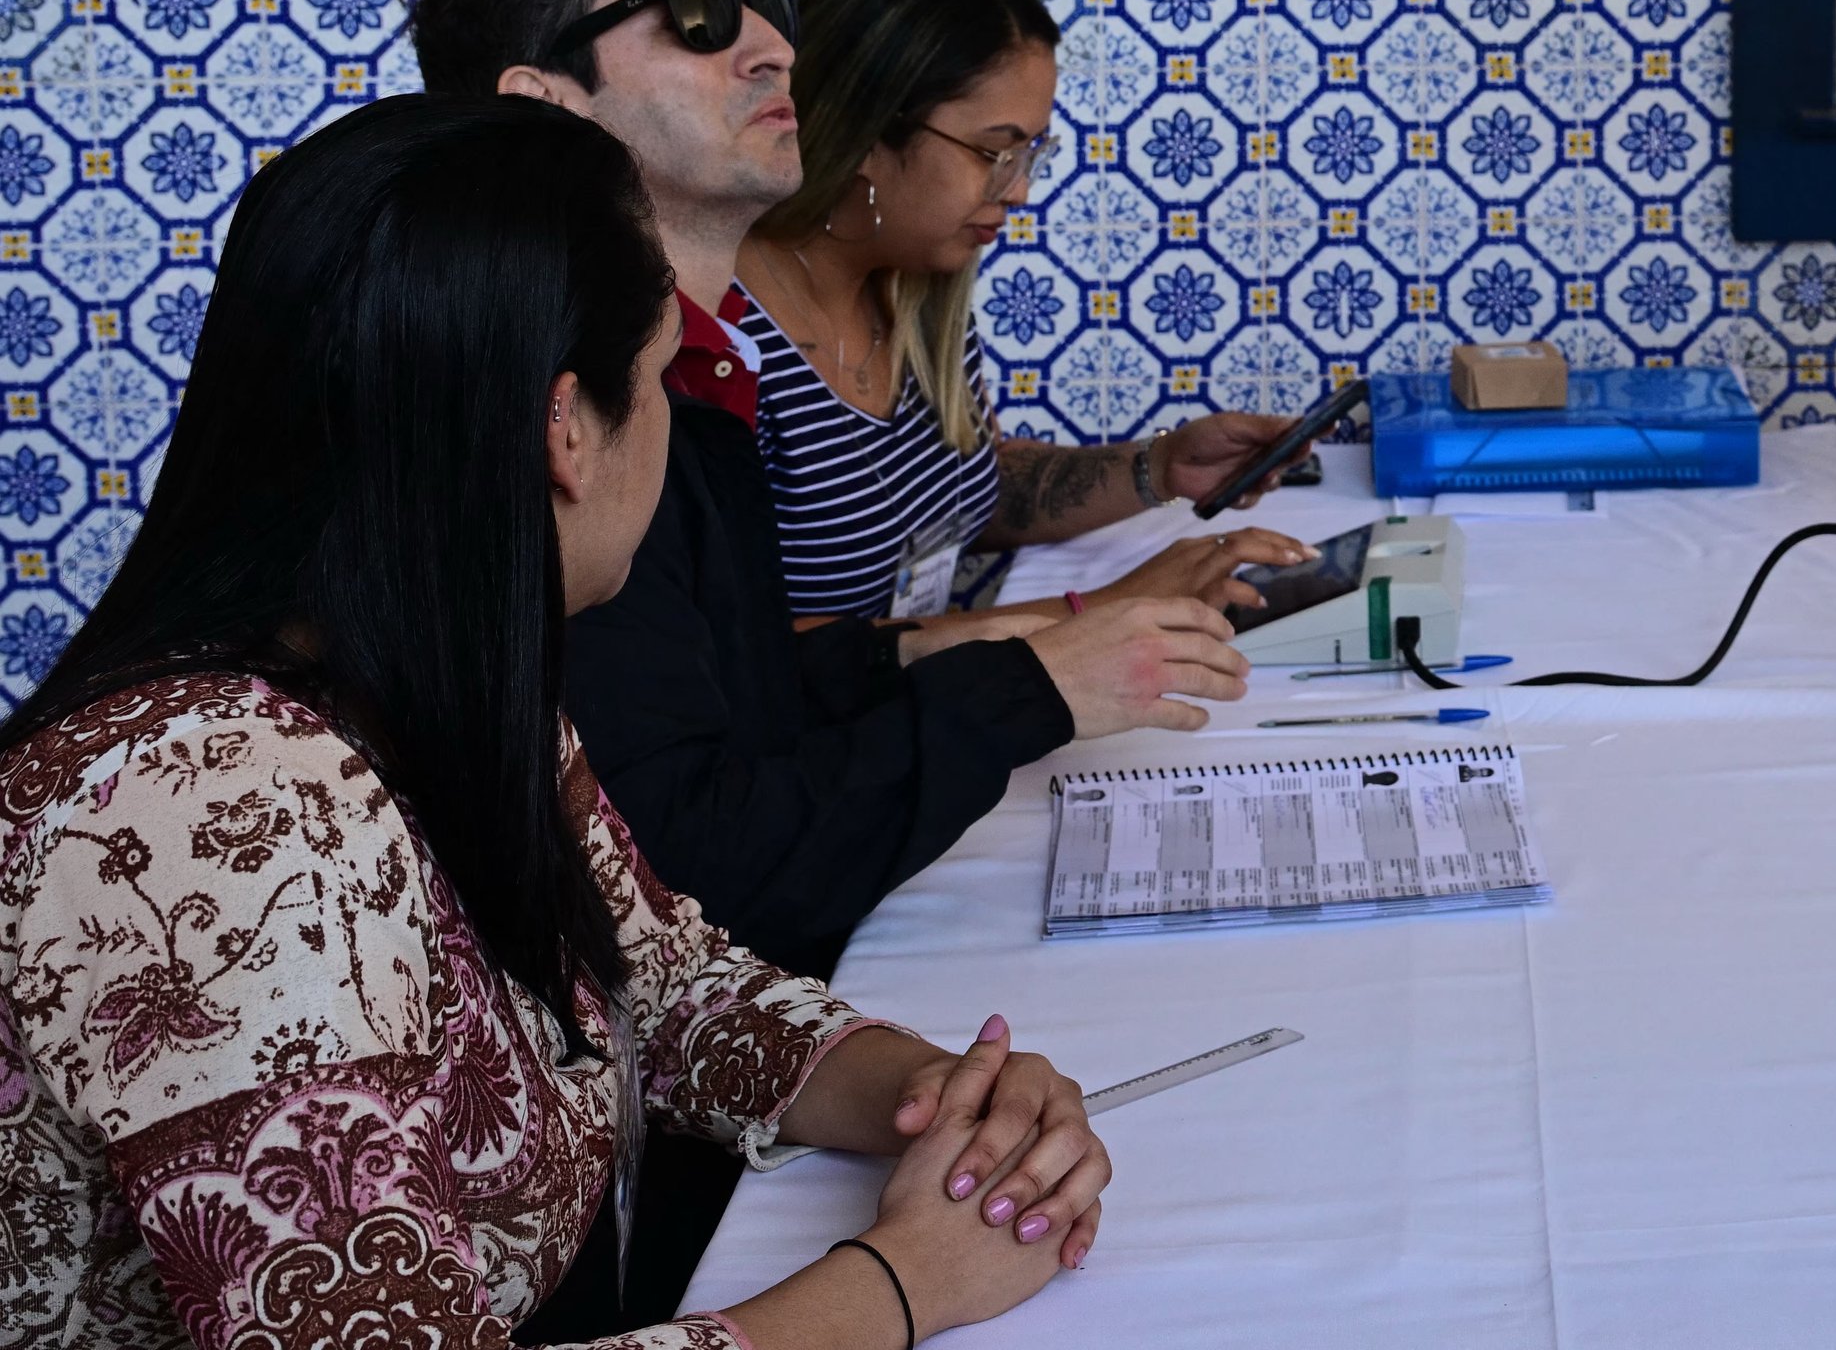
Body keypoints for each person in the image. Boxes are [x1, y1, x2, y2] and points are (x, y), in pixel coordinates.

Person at [0, 95, 1110, 1349]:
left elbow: (658, 983)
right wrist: (902, 1283)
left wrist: (928, 1095)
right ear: (564, 427)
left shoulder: (427, 671)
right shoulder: (218, 813)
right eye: (657, 378)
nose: (674, 424)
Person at [402, 0, 1297, 1328]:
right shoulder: (244, 777)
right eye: (698, 13)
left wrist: (909, 1085)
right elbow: (710, 851)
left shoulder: (699, 387)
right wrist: (886, 1290)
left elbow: (664, 944)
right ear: (543, 107)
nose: (772, 41)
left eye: (765, 2)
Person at [730, 0, 1314, 632]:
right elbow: (755, 665)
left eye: (1033, 154)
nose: (1019, 191)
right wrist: (1097, 613)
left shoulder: (914, 291)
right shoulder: (721, 342)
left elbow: (959, 492)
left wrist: (1158, 467)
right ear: (866, 130)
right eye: (995, 152)